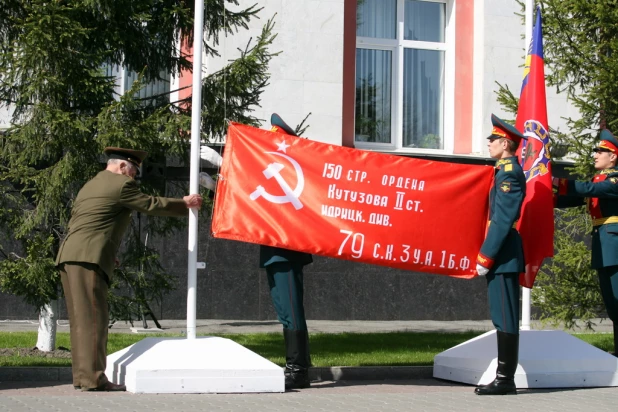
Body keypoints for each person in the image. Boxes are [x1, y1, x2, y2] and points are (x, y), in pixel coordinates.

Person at [56, 147, 203, 392]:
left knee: (81, 321)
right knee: (94, 320)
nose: (134, 176)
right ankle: (94, 379)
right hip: (88, 257)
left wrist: (107, 252)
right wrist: (184, 203)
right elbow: (150, 204)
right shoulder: (121, 185)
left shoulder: (90, 184)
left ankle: (83, 378)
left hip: (70, 255)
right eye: (134, 170)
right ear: (123, 166)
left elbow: (89, 221)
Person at [200, 113, 313, 390]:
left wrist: (224, 163)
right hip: (275, 249)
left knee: (291, 311)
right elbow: (254, 199)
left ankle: (298, 369)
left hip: (287, 250)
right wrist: (218, 187)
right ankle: (298, 366)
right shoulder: (280, 168)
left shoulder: (291, 168)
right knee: (286, 311)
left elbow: (260, 191)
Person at [553, 129, 618, 357]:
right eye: (596, 150)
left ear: (614, 157)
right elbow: (580, 197)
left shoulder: (614, 179)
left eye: (601, 151)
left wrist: (558, 180)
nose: (595, 154)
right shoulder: (599, 179)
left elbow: (591, 190)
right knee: (612, 302)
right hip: (603, 244)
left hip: (614, 244)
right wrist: (547, 195)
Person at [474, 114, 526, 396]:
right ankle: (504, 377)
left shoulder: (509, 173)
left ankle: (505, 379)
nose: (489, 143)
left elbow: (503, 219)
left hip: (503, 255)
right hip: (502, 254)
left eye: (493, 139)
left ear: (505, 143)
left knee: (505, 316)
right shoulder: (502, 170)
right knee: (500, 315)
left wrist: (486, 256)